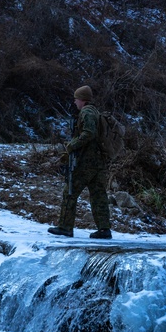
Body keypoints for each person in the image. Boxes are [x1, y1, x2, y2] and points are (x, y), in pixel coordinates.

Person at [48, 85, 112, 239]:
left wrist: (71, 146)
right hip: (98, 162)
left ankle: (65, 227)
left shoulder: (86, 112)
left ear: (82, 99)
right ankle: (104, 229)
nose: (74, 101)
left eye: (76, 98)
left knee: (69, 192)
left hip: (86, 162)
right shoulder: (95, 112)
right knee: (98, 195)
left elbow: (88, 133)